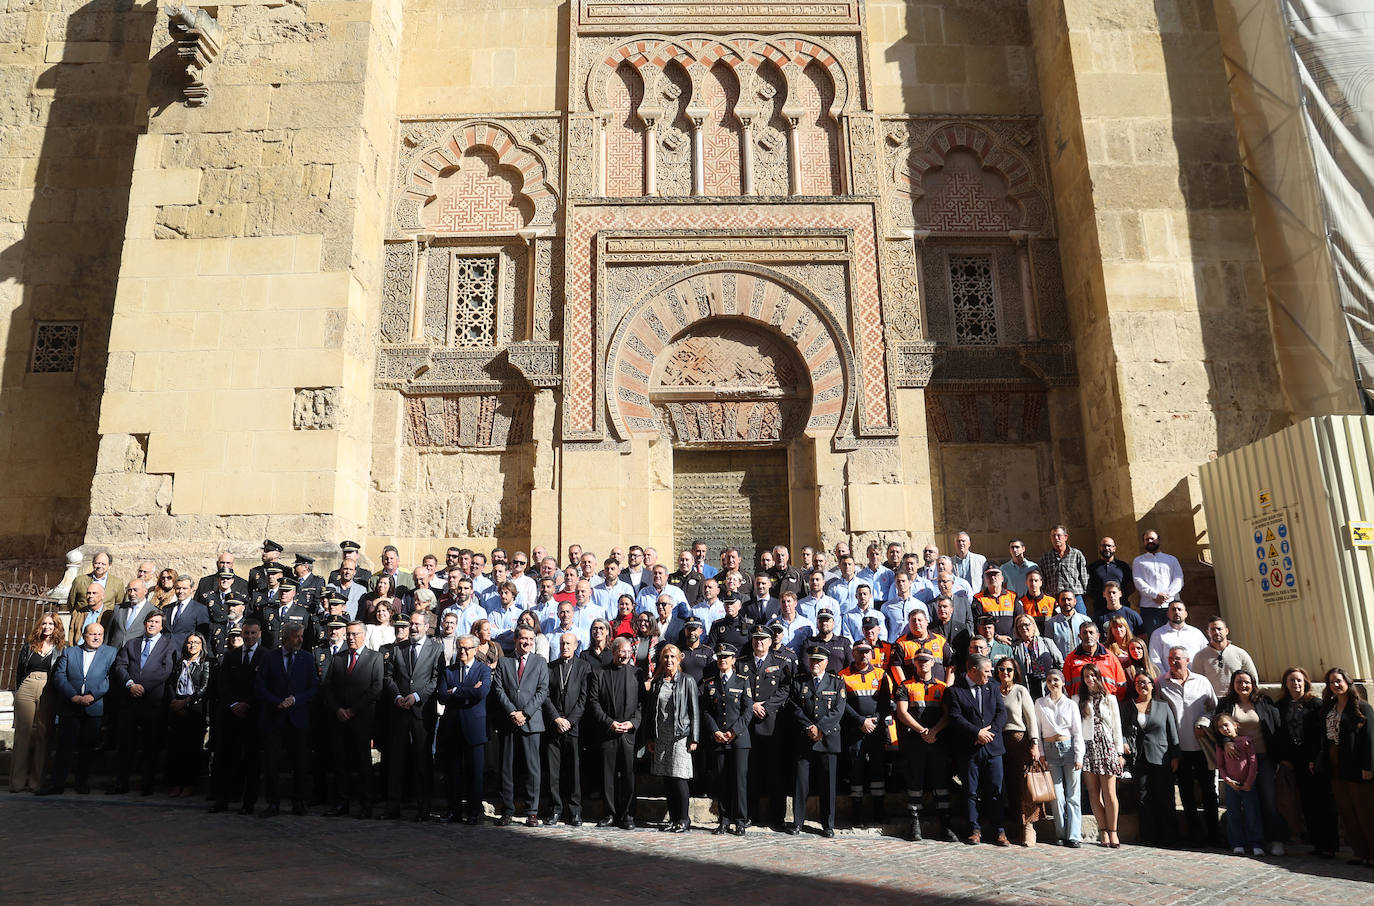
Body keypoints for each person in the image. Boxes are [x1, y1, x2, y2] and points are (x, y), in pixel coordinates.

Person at [1215, 668, 1288, 854]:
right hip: (1237, 762)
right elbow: (1218, 727)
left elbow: (1276, 727)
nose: (1243, 685)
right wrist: (1226, 742)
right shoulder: (1226, 704)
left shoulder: (1263, 702)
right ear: (1233, 685)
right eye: (1239, 682)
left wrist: (1280, 756)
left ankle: (1275, 839)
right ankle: (1246, 841)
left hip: (1263, 757)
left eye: (1246, 682)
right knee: (1243, 803)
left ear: (1253, 684)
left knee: (1268, 799)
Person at [40, 622, 116, 796]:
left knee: (87, 747)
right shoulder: (69, 651)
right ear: (84, 635)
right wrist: (73, 696)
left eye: (100, 634)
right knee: (64, 747)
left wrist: (92, 695)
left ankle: (82, 783)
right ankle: (57, 784)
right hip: (70, 705)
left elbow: (109, 678)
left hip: (94, 706)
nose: (96, 637)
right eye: (92, 634)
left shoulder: (111, 653)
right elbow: (59, 676)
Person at [382, 610, 443, 821]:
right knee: (395, 760)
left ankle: (423, 808)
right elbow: (388, 677)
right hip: (399, 710)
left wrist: (416, 696)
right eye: (412, 624)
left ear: (427, 626)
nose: (414, 628)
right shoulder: (398, 648)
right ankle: (392, 807)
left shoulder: (436, 649)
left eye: (418, 624)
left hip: (421, 711)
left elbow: (436, 679)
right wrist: (397, 696)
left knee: (422, 760)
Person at [254, 622, 318, 818]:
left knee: (300, 762)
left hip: (297, 718)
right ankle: (273, 802)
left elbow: (314, 687)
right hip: (274, 717)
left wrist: (295, 700)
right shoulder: (269, 658)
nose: (300, 640)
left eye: (301, 636)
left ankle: (299, 801)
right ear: (285, 638)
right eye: (296, 636)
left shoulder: (307, 658)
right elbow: (260, 686)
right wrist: (277, 702)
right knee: (272, 763)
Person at [1157, 646, 1219, 844]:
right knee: (1186, 794)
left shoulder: (1202, 681)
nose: (1175, 662)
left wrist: (1204, 721)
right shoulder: (1161, 684)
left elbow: (1213, 709)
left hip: (1202, 747)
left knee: (1209, 792)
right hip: (1179, 748)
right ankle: (1195, 834)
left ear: (1187, 660)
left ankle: (1214, 834)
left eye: (1178, 659)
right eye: (1171, 659)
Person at [1273, 666, 1338, 857]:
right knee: (1307, 803)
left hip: (1315, 761)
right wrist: (1284, 759)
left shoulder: (1316, 704)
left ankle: (1330, 845)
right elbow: (1279, 734)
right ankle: (1317, 844)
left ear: (1306, 682)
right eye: (1292, 680)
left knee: (1323, 802)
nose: (1296, 684)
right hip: (1295, 762)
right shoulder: (1281, 706)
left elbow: (1321, 735)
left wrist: (1315, 758)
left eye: (1299, 680)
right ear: (1286, 684)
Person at [892, 650, 955, 841]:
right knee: (915, 781)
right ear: (915, 663)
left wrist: (934, 731)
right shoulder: (905, 686)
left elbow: (947, 714)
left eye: (926, 660)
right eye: (919, 661)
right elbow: (902, 713)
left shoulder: (943, 687)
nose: (923, 663)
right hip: (915, 741)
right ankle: (915, 824)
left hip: (938, 741)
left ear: (933, 663)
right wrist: (922, 731)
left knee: (940, 781)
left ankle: (945, 824)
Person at [111, 609, 177, 795]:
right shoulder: (132, 643)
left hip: (153, 701)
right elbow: (120, 666)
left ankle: (147, 785)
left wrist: (143, 687)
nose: (152, 625)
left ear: (161, 626)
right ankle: (121, 783)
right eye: (150, 622)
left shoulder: (168, 645)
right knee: (125, 745)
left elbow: (166, 671)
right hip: (130, 700)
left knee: (150, 746)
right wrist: (131, 684)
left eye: (156, 622)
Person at [323, 620, 383, 818]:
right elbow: (328, 686)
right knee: (341, 763)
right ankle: (342, 803)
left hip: (361, 719)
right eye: (348, 634)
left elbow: (376, 688)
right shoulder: (338, 658)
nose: (350, 638)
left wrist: (353, 710)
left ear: (364, 635)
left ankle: (366, 805)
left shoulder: (375, 658)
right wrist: (338, 709)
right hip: (339, 719)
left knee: (363, 763)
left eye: (355, 634)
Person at [948, 653, 1008, 845]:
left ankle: (999, 830)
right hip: (969, 748)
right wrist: (976, 733)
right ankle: (974, 829)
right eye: (987, 671)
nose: (991, 675)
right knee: (970, 792)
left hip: (992, 748)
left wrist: (989, 734)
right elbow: (955, 717)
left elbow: (1001, 713)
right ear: (973, 671)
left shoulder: (993, 688)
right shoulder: (956, 691)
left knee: (996, 790)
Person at [786, 645, 845, 837]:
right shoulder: (799, 681)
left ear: (826, 663)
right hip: (804, 739)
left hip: (827, 739)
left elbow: (838, 709)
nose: (815, 664)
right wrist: (808, 727)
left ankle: (828, 825)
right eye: (812, 660)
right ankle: (797, 822)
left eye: (819, 661)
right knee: (800, 783)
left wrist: (820, 728)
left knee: (828, 784)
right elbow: (794, 706)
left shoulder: (836, 682)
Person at [493, 625, 549, 826]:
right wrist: (512, 712)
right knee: (506, 768)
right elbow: (498, 689)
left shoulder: (540, 662)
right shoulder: (504, 661)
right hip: (508, 722)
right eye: (524, 639)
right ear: (516, 640)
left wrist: (525, 713)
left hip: (531, 722)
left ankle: (532, 811)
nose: (527, 642)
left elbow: (542, 691)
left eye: (531, 639)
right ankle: (507, 810)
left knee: (532, 769)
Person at [1319, 667, 1374, 866]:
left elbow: (1369, 740)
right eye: (1331, 682)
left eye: (1338, 681)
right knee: (1347, 811)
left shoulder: (1362, 707)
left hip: (1357, 765)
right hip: (1335, 765)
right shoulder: (1328, 707)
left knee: (1365, 810)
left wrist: (1368, 767)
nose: (1335, 684)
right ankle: (1359, 852)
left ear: (1347, 682)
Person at [740, 624, 791, 830]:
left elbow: (786, 688)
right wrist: (751, 705)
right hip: (749, 725)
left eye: (763, 639)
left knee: (774, 772)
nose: (759, 642)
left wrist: (767, 707)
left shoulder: (780, 663)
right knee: (751, 772)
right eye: (755, 639)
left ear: (771, 642)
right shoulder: (742, 664)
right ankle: (750, 814)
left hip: (772, 725)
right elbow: (737, 687)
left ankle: (777, 817)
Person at [210, 618, 264, 813]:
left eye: (253, 633)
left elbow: (263, 685)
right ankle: (222, 800)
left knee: (252, 761)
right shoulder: (230, 656)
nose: (249, 636)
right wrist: (234, 704)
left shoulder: (266, 656)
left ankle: (248, 802)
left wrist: (247, 703)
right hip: (230, 715)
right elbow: (222, 684)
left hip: (253, 715)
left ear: (259, 634)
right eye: (246, 633)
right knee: (226, 759)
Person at [437, 634, 490, 824]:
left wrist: (457, 691)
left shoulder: (483, 670)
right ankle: (454, 811)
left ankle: (474, 812)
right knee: (453, 772)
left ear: (475, 650)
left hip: (474, 727)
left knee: (474, 772)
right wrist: (467, 691)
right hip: (452, 728)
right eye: (460, 647)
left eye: (467, 648)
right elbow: (442, 695)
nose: (462, 651)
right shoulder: (449, 671)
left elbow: (481, 692)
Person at [647, 644, 699, 833]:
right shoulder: (657, 682)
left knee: (679, 777)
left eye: (672, 657)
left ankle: (684, 819)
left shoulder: (687, 680)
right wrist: (650, 737)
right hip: (662, 734)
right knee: (667, 778)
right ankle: (673, 818)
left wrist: (694, 737)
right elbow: (650, 712)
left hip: (680, 735)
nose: (669, 660)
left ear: (679, 659)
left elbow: (694, 711)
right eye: (666, 657)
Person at [1122, 672, 1179, 846]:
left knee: (1165, 796)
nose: (1142, 686)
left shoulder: (1163, 706)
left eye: (1145, 682)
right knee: (1143, 796)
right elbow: (1122, 729)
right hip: (1139, 757)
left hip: (1161, 756)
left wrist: (1175, 756)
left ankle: (1169, 836)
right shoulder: (1128, 706)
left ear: (1152, 685)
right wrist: (1123, 744)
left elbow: (1172, 731)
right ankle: (1149, 836)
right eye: (1138, 683)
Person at [701, 643, 751, 836]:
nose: (722, 660)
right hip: (718, 739)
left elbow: (748, 710)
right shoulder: (711, 683)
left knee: (739, 781)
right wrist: (714, 730)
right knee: (722, 781)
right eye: (720, 657)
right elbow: (705, 710)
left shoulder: (741, 681)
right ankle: (724, 820)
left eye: (726, 657)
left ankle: (740, 820)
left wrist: (734, 731)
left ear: (733, 660)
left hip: (738, 740)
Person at [592, 637, 642, 829]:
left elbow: (641, 704)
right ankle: (610, 813)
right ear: (613, 652)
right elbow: (594, 703)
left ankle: (628, 815)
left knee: (629, 776)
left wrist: (633, 723)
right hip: (608, 732)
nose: (625, 655)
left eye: (629, 652)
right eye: (621, 651)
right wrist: (609, 723)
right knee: (608, 776)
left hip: (629, 733)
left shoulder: (637, 673)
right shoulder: (600, 674)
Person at [10, 611, 63, 793]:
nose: (47, 627)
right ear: (39, 626)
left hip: (48, 689)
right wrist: (18, 691)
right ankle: (16, 782)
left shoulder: (62, 648)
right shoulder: (29, 646)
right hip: (27, 686)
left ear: (56, 627)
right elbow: (19, 672)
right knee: (22, 734)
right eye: (44, 624)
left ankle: (36, 782)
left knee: (43, 734)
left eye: (51, 624)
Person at [839, 641, 890, 828]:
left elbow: (885, 702)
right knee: (856, 772)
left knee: (878, 771)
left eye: (867, 652)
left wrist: (874, 720)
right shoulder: (843, 675)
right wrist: (861, 721)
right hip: (855, 731)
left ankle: (879, 811)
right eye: (860, 652)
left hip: (875, 730)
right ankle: (857, 814)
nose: (863, 655)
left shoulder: (881, 674)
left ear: (872, 654)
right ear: (853, 653)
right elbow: (842, 704)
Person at [542, 631, 591, 826]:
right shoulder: (550, 667)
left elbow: (584, 698)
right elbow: (544, 695)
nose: (565, 647)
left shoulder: (584, 667)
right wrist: (556, 718)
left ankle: (575, 811)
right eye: (562, 643)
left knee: (574, 771)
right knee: (553, 772)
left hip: (574, 726)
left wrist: (570, 720)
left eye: (569, 644)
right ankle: (555, 809)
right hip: (554, 726)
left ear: (576, 645)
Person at [995, 656, 1042, 846]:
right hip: (1000, 742)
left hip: (1020, 741)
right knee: (1010, 786)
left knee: (1025, 786)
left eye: (1009, 670)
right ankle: (1015, 825)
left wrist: (1034, 743)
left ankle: (1029, 827)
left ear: (1015, 672)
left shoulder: (1020, 691)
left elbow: (1030, 719)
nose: (1005, 673)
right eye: (1001, 669)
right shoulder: (993, 691)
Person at [1035, 669, 1084, 847]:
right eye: (1049, 680)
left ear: (1063, 682)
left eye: (1056, 680)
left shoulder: (1070, 704)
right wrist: (1041, 753)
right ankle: (1061, 833)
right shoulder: (1040, 703)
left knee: (1073, 794)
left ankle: (1074, 835)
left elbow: (1077, 732)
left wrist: (1079, 755)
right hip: (1050, 750)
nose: (1053, 683)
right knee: (1056, 795)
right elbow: (1038, 730)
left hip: (1069, 747)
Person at [1078, 663, 1125, 847]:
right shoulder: (1078, 699)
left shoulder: (1110, 699)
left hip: (1107, 746)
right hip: (1088, 746)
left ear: (1098, 676)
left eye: (1093, 675)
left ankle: (1113, 831)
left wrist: (1119, 752)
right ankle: (1103, 829)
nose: (1090, 679)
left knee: (1110, 793)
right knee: (1093, 792)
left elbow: (1117, 727)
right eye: (1086, 676)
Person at [165, 631, 211, 798]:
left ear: (202, 645)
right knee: (176, 749)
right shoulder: (179, 662)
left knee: (191, 749)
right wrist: (174, 702)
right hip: (177, 704)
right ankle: (176, 783)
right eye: (190, 642)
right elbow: (170, 683)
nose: (192, 646)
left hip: (194, 708)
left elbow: (204, 688)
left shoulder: (205, 664)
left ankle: (189, 784)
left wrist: (186, 703)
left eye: (196, 643)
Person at [1216, 712, 1265, 856]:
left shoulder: (1246, 741)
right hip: (1232, 786)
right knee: (1233, 813)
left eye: (1226, 725)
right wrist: (1228, 781)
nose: (1224, 729)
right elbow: (1221, 765)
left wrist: (1249, 782)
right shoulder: (1221, 746)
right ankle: (1237, 843)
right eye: (1220, 727)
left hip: (1248, 784)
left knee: (1252, 813)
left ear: (1235, 725)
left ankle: (1256, 842)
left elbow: (1253, 763)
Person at [1132, 529, 1183, 636]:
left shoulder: (1171, 559)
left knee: (1174, 635)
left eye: (1152, 538)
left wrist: (1166, 595)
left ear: (1158, 540)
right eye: (1147, 539)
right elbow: (1138, 581)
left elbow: (1178, 579)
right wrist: (1155, 595)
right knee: (1154, 637)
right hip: (1149, 608)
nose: (1150, 541)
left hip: (1171, 605)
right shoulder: (1138, 561)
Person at [1192, 617, 1259, 698]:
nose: (1216, 632)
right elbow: (1196, 683)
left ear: (1226, 631)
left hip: (1237, 700)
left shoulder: (1240, 653)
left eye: (1219, 629)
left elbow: (1253, 678)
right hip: (1213, 702)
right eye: (1212, 629)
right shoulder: (1200, 657)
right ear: (1208, 632)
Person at [1063, 621, 1126, 699]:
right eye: (1085, 633)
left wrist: (1114, 701)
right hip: (1081, 704)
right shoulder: (1071, 659)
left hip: (1106, 703)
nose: (1088, 636)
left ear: (1098, 636)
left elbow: (1121, 684)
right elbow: (1066, 686)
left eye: (1091, 632)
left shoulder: (1109, 657)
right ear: (1079, 636)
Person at [1010, 613, 1061, 700]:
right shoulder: (1014, 648)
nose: (1023, 628)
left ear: (1033, 626)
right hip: (1026, 687)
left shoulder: (1047, 642)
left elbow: (1060, 663)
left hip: (1047, 685)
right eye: (1020, 626)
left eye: (1026, 625)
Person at [1038, 525, 1088, 614]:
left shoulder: (1076, 554)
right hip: (1054, 598)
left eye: (1059, 535)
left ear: (1065, 537)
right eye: (1053, 536)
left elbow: (1083, 575)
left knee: (1083, 622)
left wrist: (1082, 591)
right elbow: (1043, 579)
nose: (1056, 538)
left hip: (1075, 596)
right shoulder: (1045, 558)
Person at [1148, 600, 1208, 673]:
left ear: (1186, 614)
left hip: (1196, 680)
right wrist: (1165, 679)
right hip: (1170, 681)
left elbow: (1207, 654)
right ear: (1168, 614)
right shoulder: (1158, 634)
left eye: (1179, 609)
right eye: (1173, 609)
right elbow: (1154, 659)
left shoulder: (1196, 633)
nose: (1177, 612)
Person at [1086, 538, 1133, 618]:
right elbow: (1088, 588)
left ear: (1114, 548)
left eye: (1109, 546)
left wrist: (1122, 596)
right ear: (1100, 548)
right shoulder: (1092, 568)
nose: (1106, 548)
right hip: (1100, 608)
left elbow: (1131, 586)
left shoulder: (1123, 566)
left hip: (1121, 606)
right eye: (1104, 546)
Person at [164, 575, 212, 649]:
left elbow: (202, 634)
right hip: (164, 650)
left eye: (184, 588)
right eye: (178, 588)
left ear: (192, 589)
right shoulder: (167, 608)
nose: (181, 591)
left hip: (185, 652)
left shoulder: (200, 609)